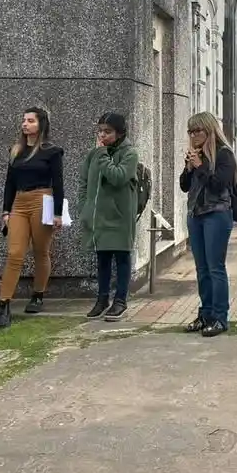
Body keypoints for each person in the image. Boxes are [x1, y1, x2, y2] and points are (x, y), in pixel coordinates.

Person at [0, 107, 63, 329]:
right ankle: (3, 303)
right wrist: (6, 210)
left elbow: (59, 184)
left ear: (41, 124)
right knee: (15, 253)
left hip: (42, 199)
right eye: (24, 120)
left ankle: (38, 294)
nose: (25, 124)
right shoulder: (16, 151)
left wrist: (57, 213)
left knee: (40, 251)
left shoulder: (51, 151)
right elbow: (9, 183)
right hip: (20, 202)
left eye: (30, 121)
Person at [180, 112, 237, 337]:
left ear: (209, 131)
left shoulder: (224, 154)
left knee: (215, 267)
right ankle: (205, 314)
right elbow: (185, 186)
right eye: (190, 132)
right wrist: (189, 167)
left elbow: (218, 185)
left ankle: (220, 318)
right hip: (195, 214)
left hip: (216, 214)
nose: (194, 136)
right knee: (201, 269)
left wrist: (201, 166)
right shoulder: (196, 155)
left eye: (198, 131)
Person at [77, 111, 139, 322]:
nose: (102, 135)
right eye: (100, 131)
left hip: (120, 216)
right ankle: (102, 299)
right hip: (98, 216)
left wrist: (103, 154)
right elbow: (84, 181)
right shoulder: (93, 154)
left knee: (121, 256)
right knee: (102, 258)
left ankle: (120, 300)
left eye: (108, 132)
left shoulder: (129, 153)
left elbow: (118, 177)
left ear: (120, 133)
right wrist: (85, 207)